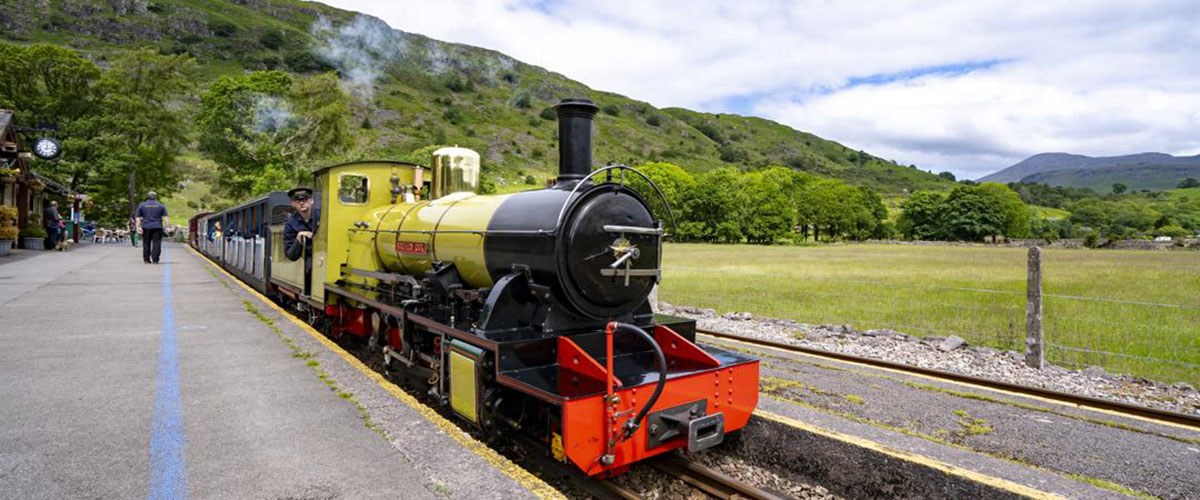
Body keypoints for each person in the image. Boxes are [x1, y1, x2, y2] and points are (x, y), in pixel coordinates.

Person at [283, 187, 319, 292]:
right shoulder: (290, 224)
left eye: (305, 199)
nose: (302, 203)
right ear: (293, 204)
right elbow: (290, 255)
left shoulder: (323, 216)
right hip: (308, 261)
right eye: (297, 200)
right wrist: (299, 238)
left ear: (311, 200)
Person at [135, 191, 169, 264]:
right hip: (157, 227)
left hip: (146, 227)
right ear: (155, 197)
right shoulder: (161, 205)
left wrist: (138, 227)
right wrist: (166, 226)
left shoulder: (142, 205)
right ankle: (155, 260)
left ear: (148, 196)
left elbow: (137, 218)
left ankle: (146, 260)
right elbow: (166, 217)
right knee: (157, 243)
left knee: (146, 243)